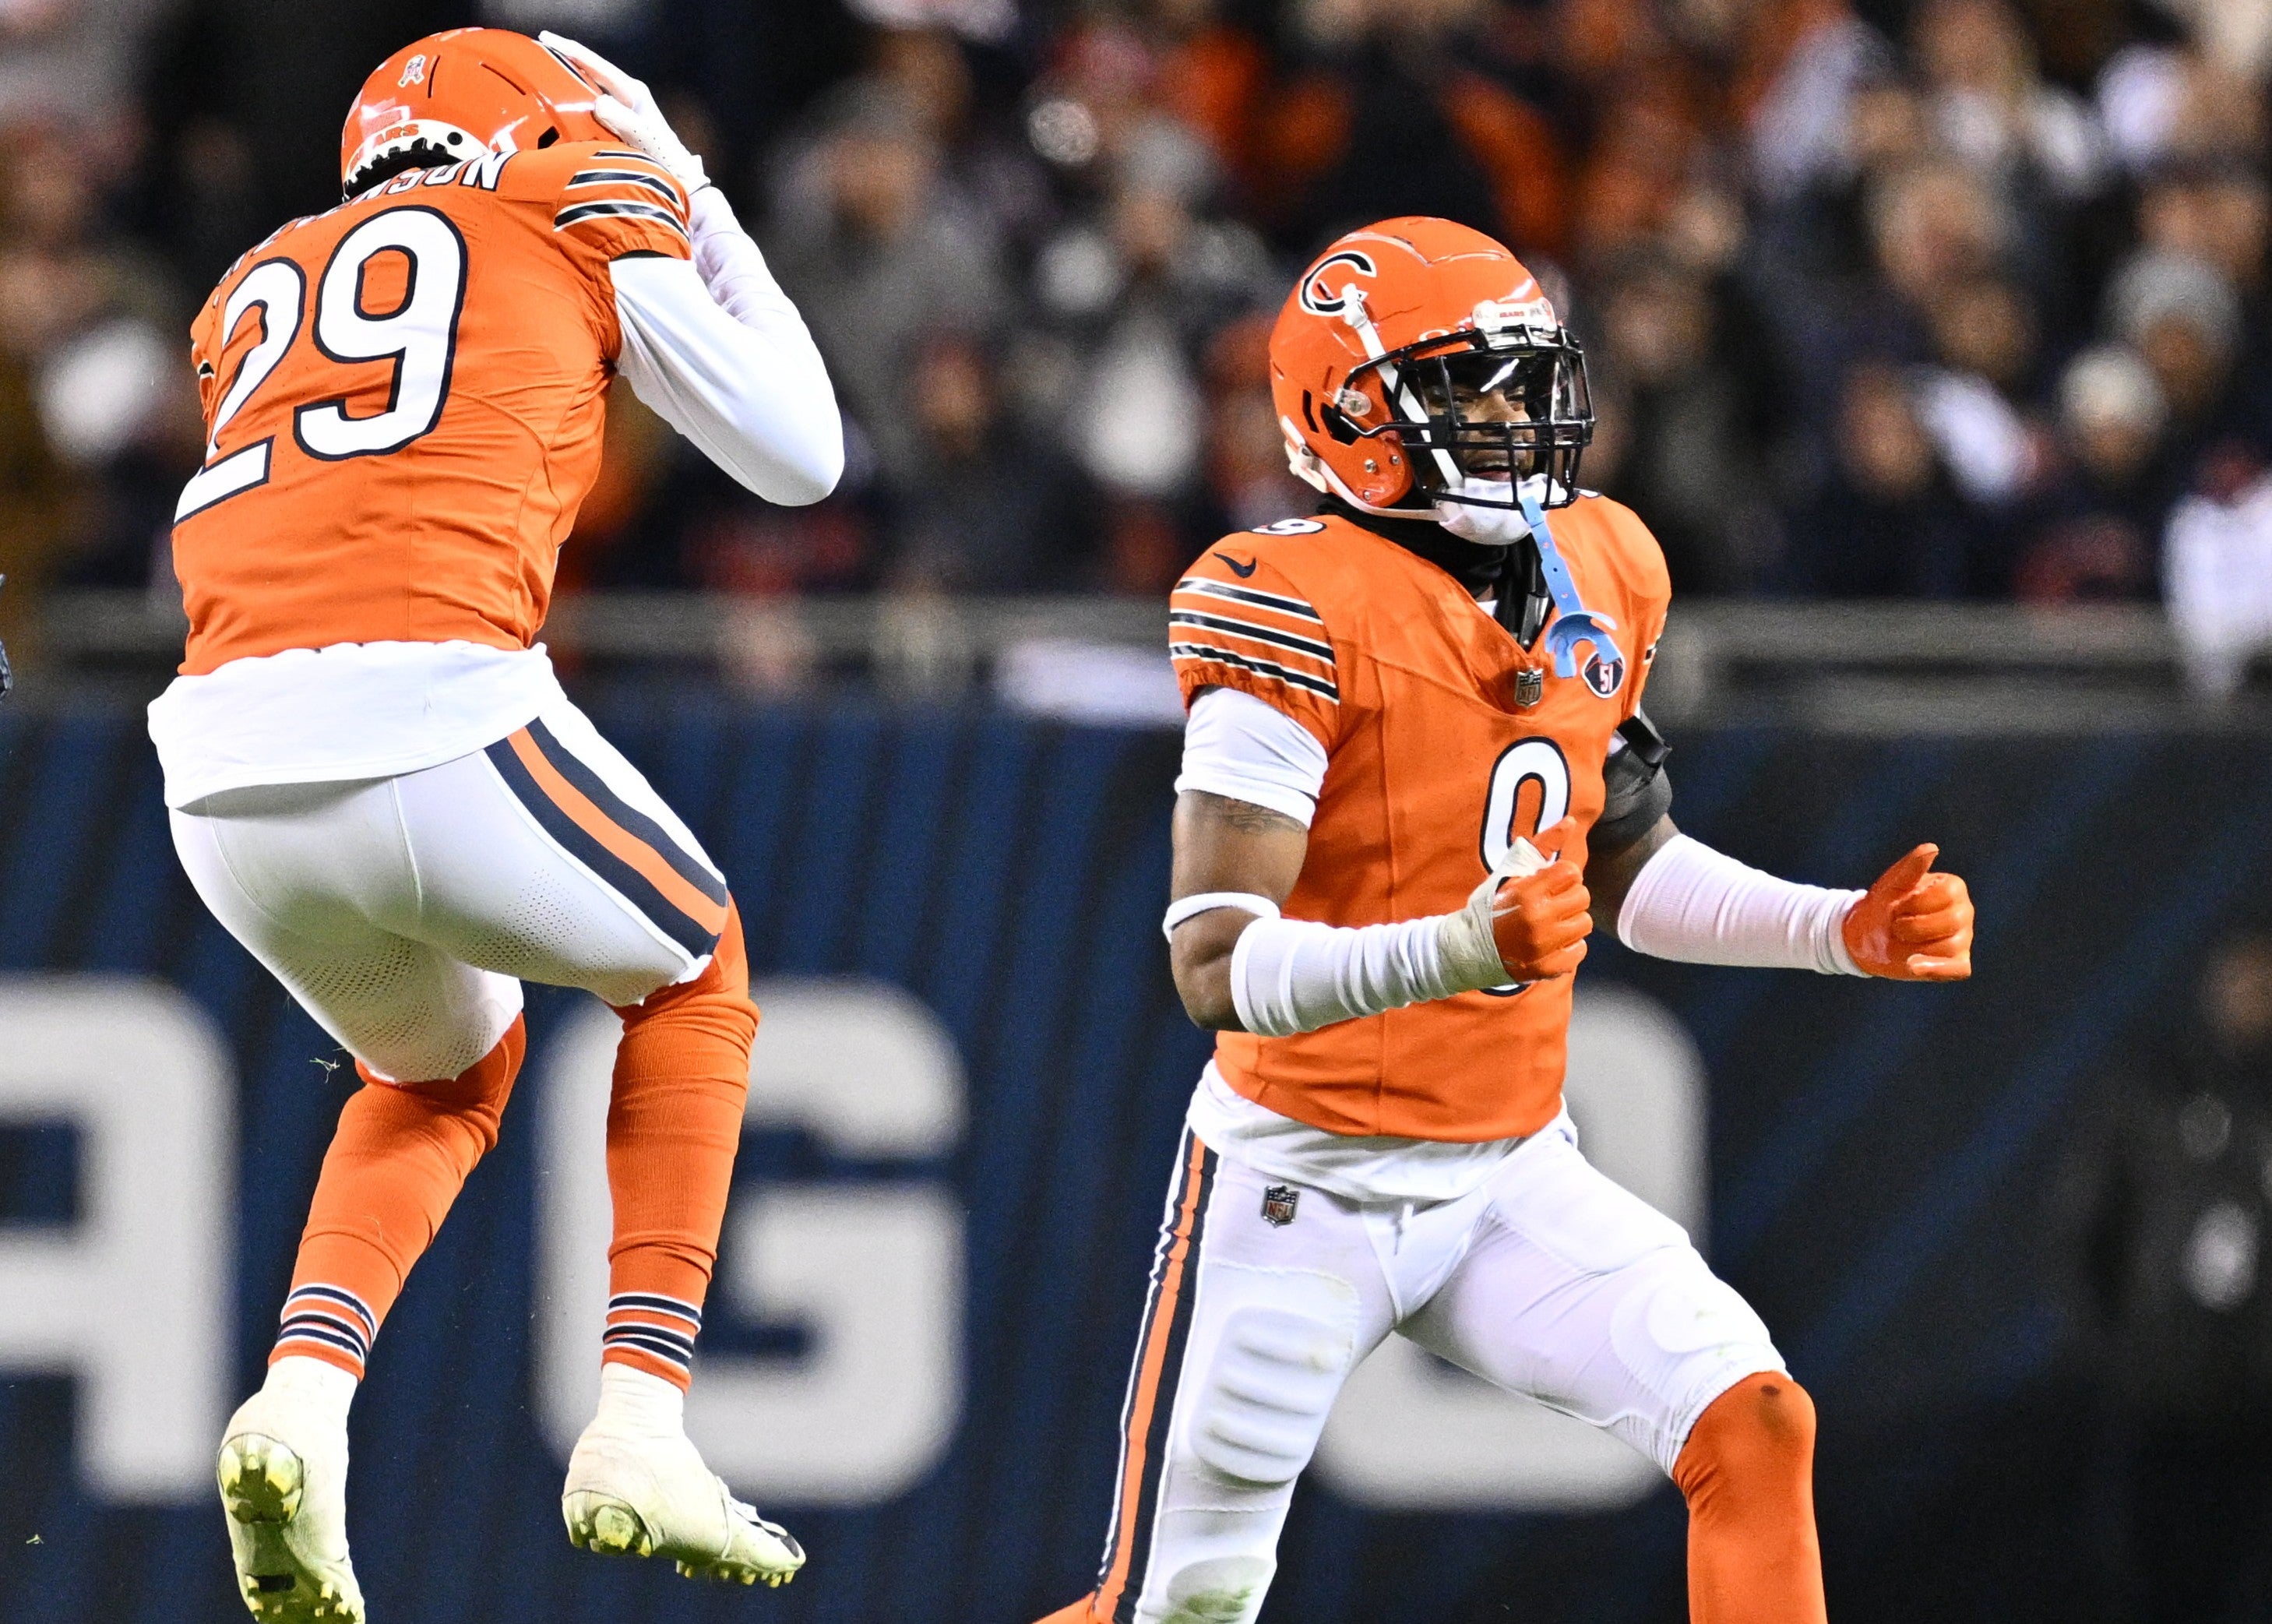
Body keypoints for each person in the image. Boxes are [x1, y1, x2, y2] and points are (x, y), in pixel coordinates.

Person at [1037, 218, 1975, 1624]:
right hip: (1301, 1184)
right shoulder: (1288, 601)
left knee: (1754, 1421)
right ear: (1350, 417)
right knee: (1172, 1610)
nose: (1518, 418)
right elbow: (1212, 964)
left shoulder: (1601, 561)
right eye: (1471, 386)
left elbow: (1621, 862)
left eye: (1528, 379)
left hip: (1503, 1171)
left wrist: (1832, 928)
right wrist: (1460, 948)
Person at [150, 28, 841, 1619]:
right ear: (544, 123)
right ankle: (641, 1420)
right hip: (425, 705)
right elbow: (802, 458)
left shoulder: (253, 278)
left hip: (216, 770)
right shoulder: (565, 195)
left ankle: (300, 1404)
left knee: (446, 1068)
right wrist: (691, 189)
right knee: (696, 963)